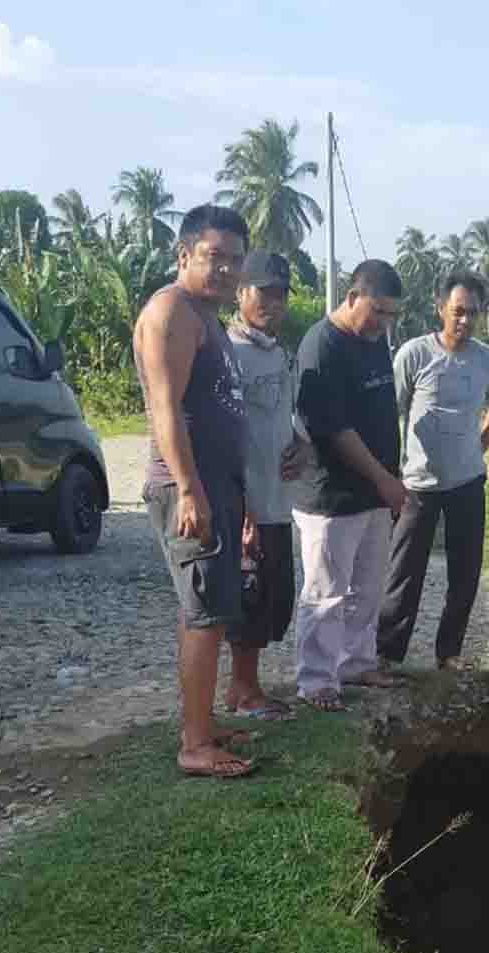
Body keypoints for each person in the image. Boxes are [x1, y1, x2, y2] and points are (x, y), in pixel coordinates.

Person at [131, 203, 255, 779]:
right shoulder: (173, 312)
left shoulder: (206, 316)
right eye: (214, 257)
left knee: (209, 609)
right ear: (184, 255)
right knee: (203, 611)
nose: (227, 270)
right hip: (189, 488)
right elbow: (165, 409)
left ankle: (201, 726)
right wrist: (188, 489)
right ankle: (195, 746)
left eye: (236, 260)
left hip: (215, 485)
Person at [290, 259, 410, 711]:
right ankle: (316, 679)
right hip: (331, 496)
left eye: (392, 314)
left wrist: (388, 479)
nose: (384, 322)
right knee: (326, 592)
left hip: (375, 493)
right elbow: (335, 430)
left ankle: (356, 662)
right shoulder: (322, 346)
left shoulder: (374, 340)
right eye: (377, 310)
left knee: (368, 587)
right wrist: (384, 479)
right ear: (351, 297)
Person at [379, 270, 489, 673]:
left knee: (465, 573)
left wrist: (478, 445)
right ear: (440, 309)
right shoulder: (413, 354)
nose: (465, 321)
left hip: (468, 483)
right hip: (417, 485)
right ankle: (387, 653)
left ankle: (448, 652)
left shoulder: (488, 360)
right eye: (458, 312)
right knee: (404, 574)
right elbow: (390, 413)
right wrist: (391, 472)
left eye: (473, 313)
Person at [220, 250, 311, 722]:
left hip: (277, 497)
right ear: (240, 293)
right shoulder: (226, 353)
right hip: (246, 499)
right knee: (249, 595)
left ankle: (247, 687)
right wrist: (241, 508)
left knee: (274, 596)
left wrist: (299, 444)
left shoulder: (279, 353)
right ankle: (243, 689)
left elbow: (282, 416)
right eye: (262, 293)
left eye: (279, 295)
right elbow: (222, 433)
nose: (272, 304)